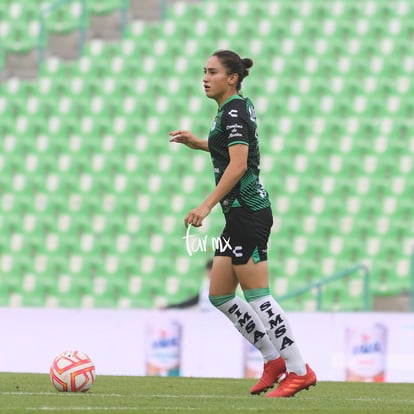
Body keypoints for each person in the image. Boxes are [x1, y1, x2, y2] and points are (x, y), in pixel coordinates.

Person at [169, 50, 316, 398]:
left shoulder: (233, 110)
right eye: (204, 71)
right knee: (219, 295)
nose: (205, 77)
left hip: (249, 213)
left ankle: (298, 369)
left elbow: (238, 164)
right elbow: (233, 152)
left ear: (232, 77)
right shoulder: (231, 109)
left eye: (213, 72)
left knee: (259, 297)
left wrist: (206, 205)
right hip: (236, 216)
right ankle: (272, 359)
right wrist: (199, 144)